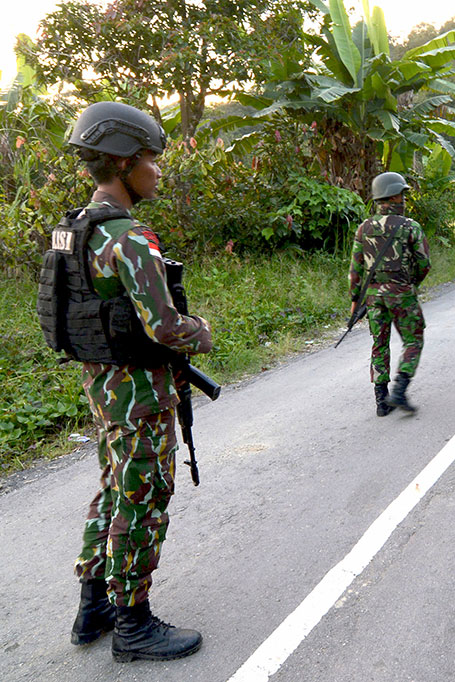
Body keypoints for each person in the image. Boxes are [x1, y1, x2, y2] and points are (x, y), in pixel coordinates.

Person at [49, 101, 213, 661]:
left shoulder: (73, 230)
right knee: (142, 497)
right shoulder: (130, 237)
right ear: (122, 163)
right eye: (150, 158)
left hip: (102, 387)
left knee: (113, 489)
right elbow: (165, 326)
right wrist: (203, 331)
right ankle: (134, 623)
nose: (158, 170)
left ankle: (92, 605)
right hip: (139, 393)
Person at [349, 172, 431, 415]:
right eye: (402, 194)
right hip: (402, 293)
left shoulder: (363, 228)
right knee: (414, 340)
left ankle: (381, 401)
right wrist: (410, 283)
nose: (404, 199)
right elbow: (424, 263)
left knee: (379, 343)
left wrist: (355, 300)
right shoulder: (410, 227)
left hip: (374, 297)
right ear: (394, 195)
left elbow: (355, 270)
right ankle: (399, 390)